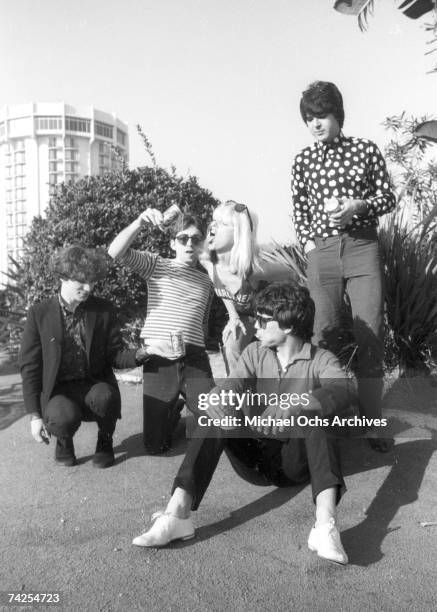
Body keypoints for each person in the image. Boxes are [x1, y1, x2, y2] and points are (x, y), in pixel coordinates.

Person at [132, 281, 355, 565]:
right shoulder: (254, 351)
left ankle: (324, 527)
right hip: (254, 459)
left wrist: (297, 404)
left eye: (262, 320)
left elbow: (344, 389)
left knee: (317, 416)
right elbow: (234, 383)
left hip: (295, 463)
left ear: (287, 326)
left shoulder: (320, 358)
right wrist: (218, 395)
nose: (255, 326)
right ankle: (177, 515)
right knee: (218, 415)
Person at [291, 81, 396, 452]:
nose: (315, 123)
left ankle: (371, 421)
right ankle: (325, 420)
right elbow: (299, 209)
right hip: (321, 251)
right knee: (323, 335)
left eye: (321, 115)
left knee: (369, 334)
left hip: (362, 245)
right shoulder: (302, 160)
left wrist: (358, 205)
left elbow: (388, 196)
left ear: (337, 114)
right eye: (309, 118)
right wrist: (308, 242)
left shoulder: (364, 150)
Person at [19, 245, 141, 468]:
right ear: (63, 276)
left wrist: (143, 354)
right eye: (82, 281)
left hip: (93, 385)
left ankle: (105, 440)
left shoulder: (102, 310)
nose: (88, 287)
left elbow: (115, 355)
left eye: (92, 281)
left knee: (106, 396)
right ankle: (64, 441)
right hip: (59, 392)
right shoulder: (39, 314)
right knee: (61, 417)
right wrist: (35, 416)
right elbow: (30, 368)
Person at [108, 209, 215, 454]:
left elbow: (203, 322)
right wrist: (138, 222)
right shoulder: (156, 265)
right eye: (183, 238)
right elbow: (115, 253)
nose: (189, 244)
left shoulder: (207, 281)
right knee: (156, 446)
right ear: (172, 242)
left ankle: (191, 404)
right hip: (158, 360)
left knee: (212, 428)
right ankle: (173, 410)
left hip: (194, 359)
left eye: (196, 239)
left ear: (202, 244)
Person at [202, 200, 294, 375]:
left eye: (221, 224)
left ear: (238, 233)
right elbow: (222, 290)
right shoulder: (208, 262)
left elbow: (291, 272)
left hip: (269, 318)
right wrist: (233, 316)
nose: (213, 228)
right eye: (213, 222)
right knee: (231, 342)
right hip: (244, 317)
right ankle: (238, 391)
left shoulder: (255, 270)